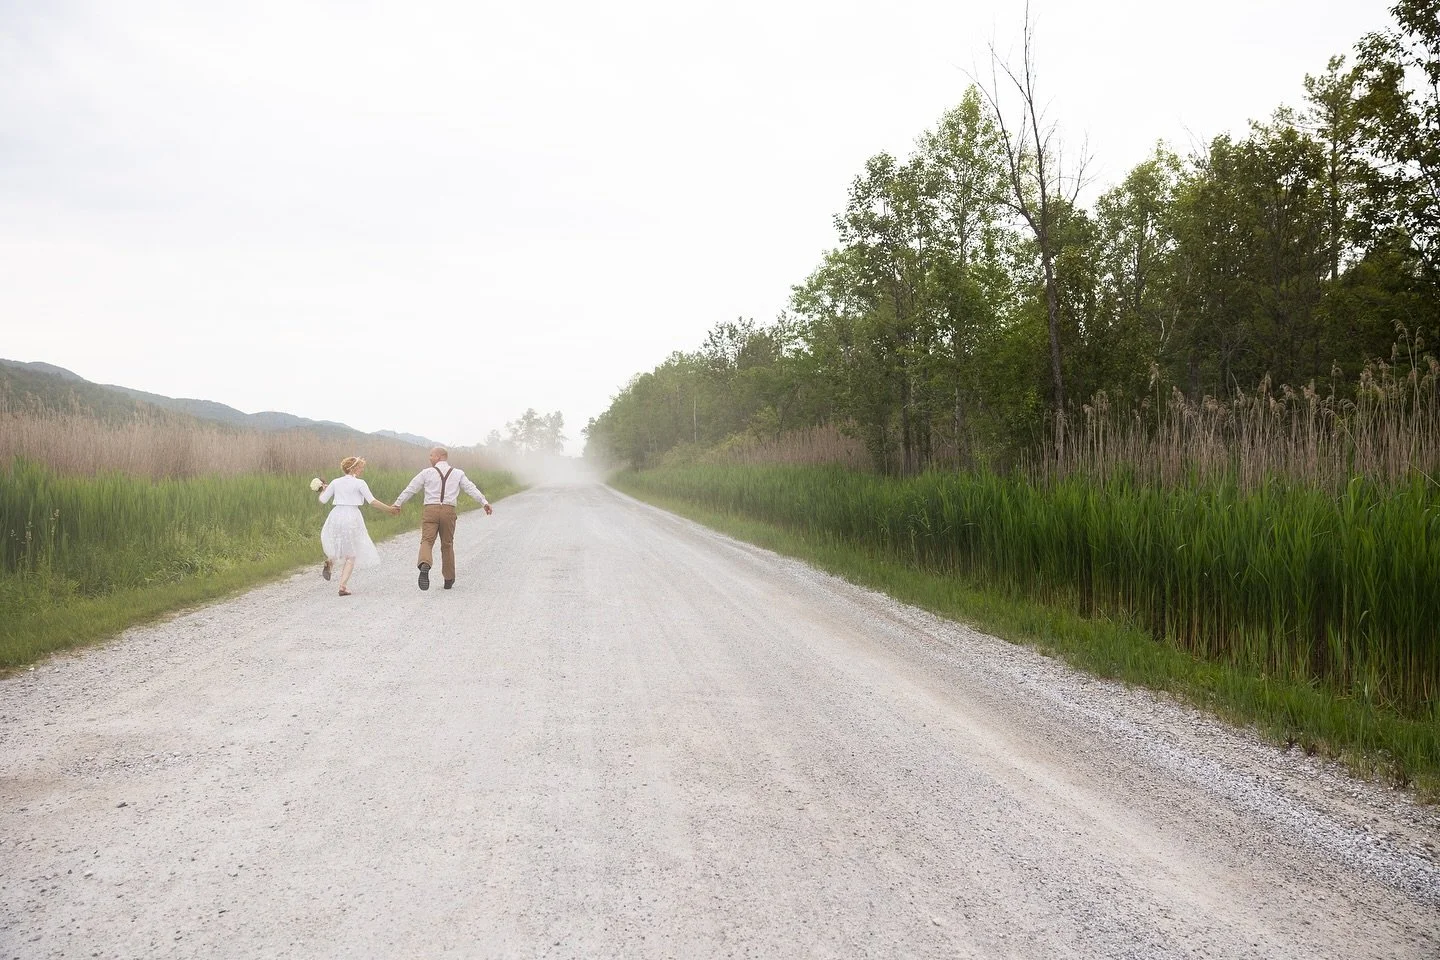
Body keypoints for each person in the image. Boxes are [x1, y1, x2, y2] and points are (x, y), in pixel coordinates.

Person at [392, 446, 493, 590]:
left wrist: (398, 503)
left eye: (431, 455)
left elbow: (411, 488)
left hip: (430, 510)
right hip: (448, 510)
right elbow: (471, 488)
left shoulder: (426, 472)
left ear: (439, 457)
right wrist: (484, 502)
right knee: (447, 544)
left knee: (427, 540)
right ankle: (448, 579)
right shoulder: (458, 473)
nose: (429, 458)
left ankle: (425, 563)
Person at [318, 456, 400, 596]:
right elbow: (372, 501)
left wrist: (322, 490)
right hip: (352, 516)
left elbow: (323, 500)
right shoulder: (360, 483)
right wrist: (389, 509)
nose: (362, 470)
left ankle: (330, 561)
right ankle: (342, 586)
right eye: (361, 467)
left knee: (339, 542)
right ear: (353, 468)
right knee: (351, 554)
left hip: (336, 514)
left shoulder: (335, 482)